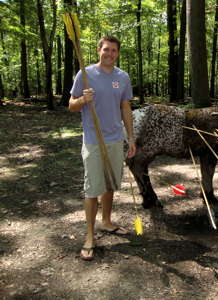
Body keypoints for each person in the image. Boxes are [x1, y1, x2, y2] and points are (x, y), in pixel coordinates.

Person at [69, 36, 136, 260]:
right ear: (99, 50)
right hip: (93, 140)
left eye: (114, 51)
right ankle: (89, 236)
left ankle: (106, 222)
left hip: (115, 139)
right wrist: (82, 101)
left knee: (109, 184)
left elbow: (125, 107)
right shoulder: (85, 75)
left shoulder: (122, 77)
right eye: (106, 50)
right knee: (92, 189)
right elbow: (71, 105)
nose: (109, 54)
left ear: (118, 53)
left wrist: (131, 138)